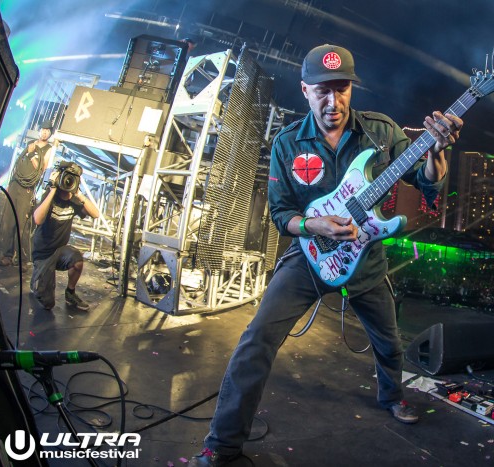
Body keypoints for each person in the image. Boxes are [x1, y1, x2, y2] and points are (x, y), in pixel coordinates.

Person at [189, 44, 462, 466]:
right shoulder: (287, 143)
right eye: (321, 91)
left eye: (341, 90)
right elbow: (281, 214)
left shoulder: (381, 132)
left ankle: (391, 396)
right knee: (257, 338)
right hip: (310, 257)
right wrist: (313, 225)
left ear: (352, 88)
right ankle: (222, 444)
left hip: (365, 255)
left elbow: (427, 187)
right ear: (304, 89)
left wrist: (436, 154)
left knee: (389, 341)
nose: (332, 102)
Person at [30, 162, 99, 311]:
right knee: (48, 304)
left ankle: (70, 292)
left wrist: (79, 194)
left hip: (60, 250)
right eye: (67, 178)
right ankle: (37, 278)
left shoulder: (74, 201)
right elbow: (37, 219)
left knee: (77, 260)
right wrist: (53, 190)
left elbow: (95, 214)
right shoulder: (49, 196)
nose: (68, 182)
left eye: (72, 179)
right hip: (43, 253)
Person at [0, 120, 58, 267]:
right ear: (39, 130)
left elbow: (41, 169)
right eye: (42, 129)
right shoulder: (31, 143)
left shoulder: (49, 149)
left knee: (22, 223)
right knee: (8, 220)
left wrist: (32, 155)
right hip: (15, 184)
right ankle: (6, 254)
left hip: (28, 188)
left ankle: (22, 259)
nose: (44, 132)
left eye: (47, 130)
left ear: (50, 133)